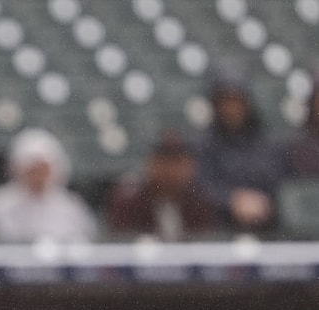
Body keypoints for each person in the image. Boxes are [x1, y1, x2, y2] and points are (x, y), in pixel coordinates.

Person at [192, 64, 288, 235]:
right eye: (225, 101)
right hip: (219, 230)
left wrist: (263, 202)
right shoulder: (202, 145)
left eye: (236, 100)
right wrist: (231, 200)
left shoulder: (269, 144)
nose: (231, 108)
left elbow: (281, 183)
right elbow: (199, 187)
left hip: (268, 229)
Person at [0, 127, 98, 243]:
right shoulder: (0, 203)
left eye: (43, 169)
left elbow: (86, 239)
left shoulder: (71, 206)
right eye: (33, 170)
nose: (38, 176)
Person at [105, 130, 219, 241]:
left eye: (177, 162)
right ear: (150, 163)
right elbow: (122, 248)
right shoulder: (129, 202)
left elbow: (206, 246)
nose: (170, 171)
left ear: (190, 165)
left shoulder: (201, 202)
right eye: (163, 162)